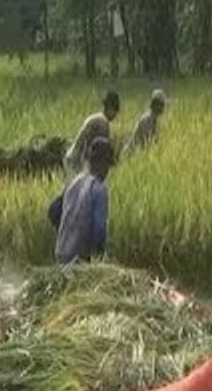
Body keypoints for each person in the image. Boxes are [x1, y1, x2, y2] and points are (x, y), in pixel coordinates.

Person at [53, 136, 114, 265]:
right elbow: (99, 231)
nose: (107, 171)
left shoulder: (75, 182)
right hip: (79, 260)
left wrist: (66, 233)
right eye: (107, 165)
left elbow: (53, 210)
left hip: (61, 253)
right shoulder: (99, 189)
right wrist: (100, 258)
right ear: (102, 163)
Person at [64, 91, 120, 176]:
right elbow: (98, 148)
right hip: (77, 162)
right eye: (115, 111)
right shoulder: (102, 122)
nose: (115, 115)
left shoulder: (97, 118)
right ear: (109, 108)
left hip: (73, 158)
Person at [122, 89, 166, 157]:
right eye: (162, 105)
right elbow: (147, 143)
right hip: (130, 155)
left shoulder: (154, 119)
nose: (163, 108)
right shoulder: (147, 119)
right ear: (155, 104)